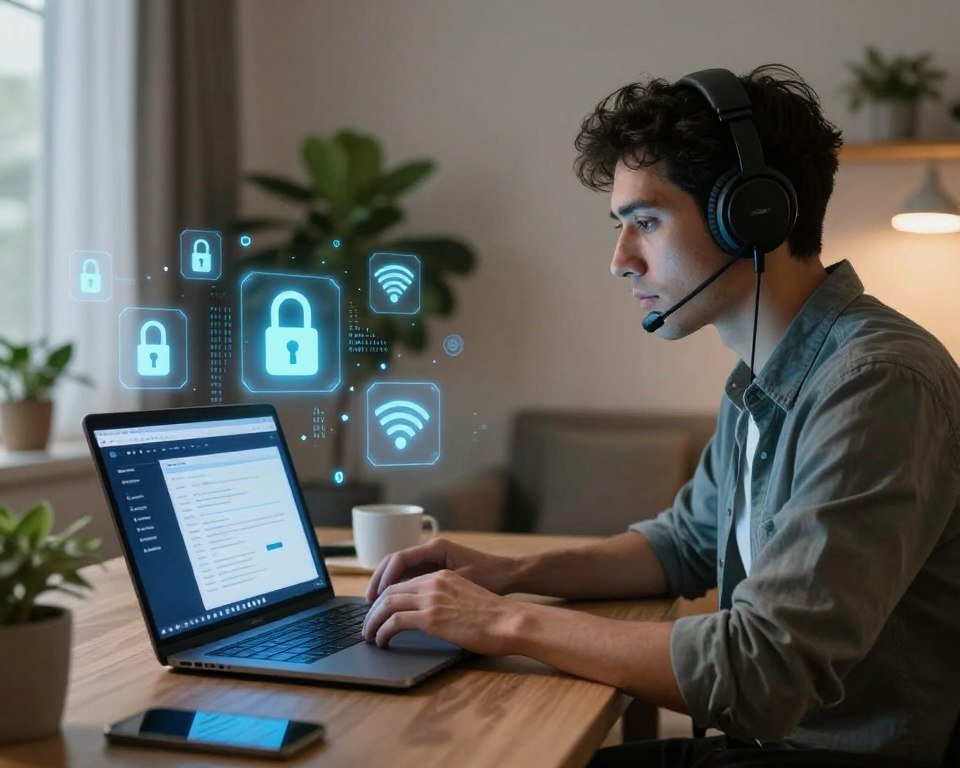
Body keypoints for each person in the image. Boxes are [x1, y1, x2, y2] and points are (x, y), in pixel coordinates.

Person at [360, 64, 960, 767]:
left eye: (645, 222)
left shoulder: (875, 384)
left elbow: (763, 671)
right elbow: (683, 543)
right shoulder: (762, 376)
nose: (620, 260)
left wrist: (502, 622)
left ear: (753, 215)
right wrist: (508, 573)